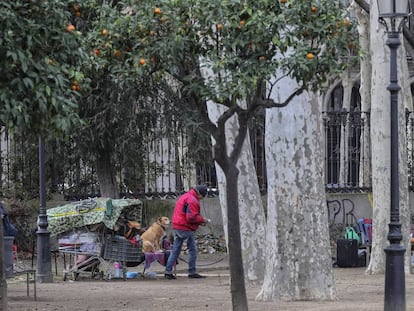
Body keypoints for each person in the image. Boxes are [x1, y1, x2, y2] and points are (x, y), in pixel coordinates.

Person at [164, 184, 209, 279]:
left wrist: (199, 221)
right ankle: (192, 271)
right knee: (193, 250)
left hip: (177, 226)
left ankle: (168, 271)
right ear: (200, 194)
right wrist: (202, 220)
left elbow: (186, 214)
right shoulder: (193, 200)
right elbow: (191, 217)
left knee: (175, 250)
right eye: (202, 196)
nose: (201, 199)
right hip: (185, 228)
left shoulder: (185, 196)